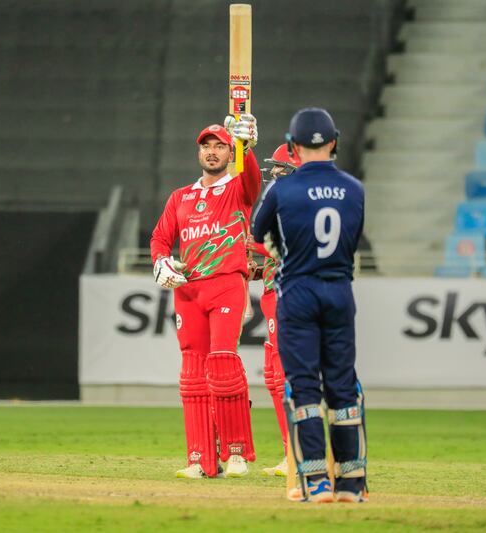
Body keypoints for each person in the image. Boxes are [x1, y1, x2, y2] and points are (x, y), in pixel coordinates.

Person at [252, 108, 368, 503]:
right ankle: (352, 482)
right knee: (342, 386)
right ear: (334, 141)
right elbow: (351, 240)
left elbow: (257, 232)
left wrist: (285, 251)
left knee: (303, 386)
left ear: (294, 146)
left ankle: (315, 480)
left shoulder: (282, 189)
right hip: (339, 290)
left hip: (298, 291)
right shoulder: (355, 188)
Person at [150, 114, 261, 479]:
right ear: (199, 152)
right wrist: (161, 262)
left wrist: (247, 147)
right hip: (189, 289)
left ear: (230, 153)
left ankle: (236, 453)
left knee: (224, 365)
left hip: (226, 283)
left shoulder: (237, 189)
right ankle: (199, 458)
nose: (212, 153)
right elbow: (160, 239)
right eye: (206, 147)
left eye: (220, 147)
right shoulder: (181, 197)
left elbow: (253, 182)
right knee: (193, 374)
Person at [247, 143, 301, 477]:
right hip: (273, 292)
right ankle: (291, 453)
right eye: (275, 168)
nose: (275, 174)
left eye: (282, 168)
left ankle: (299, 454)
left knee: (286, 377)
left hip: (287, 295)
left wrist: (239, 237)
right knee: (274, 378)